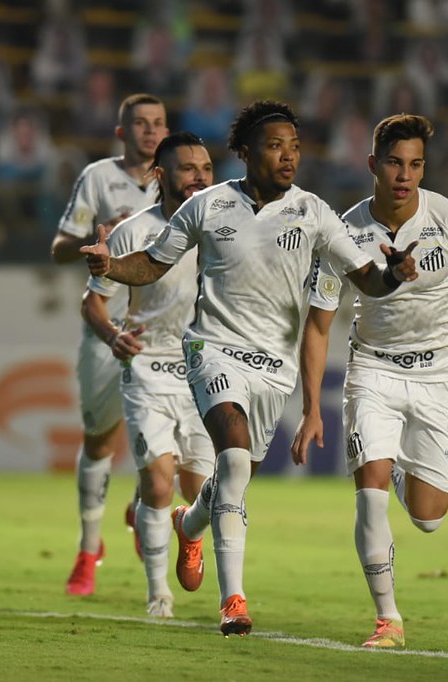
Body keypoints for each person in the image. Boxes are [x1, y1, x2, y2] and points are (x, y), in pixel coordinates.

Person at [80, 99, 418, 636]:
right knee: (234, 460)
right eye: (275, 146)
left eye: (295, 148)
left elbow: (367, 278)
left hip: (273, 368)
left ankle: (189, 526)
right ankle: (233, 600)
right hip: (211, 348)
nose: (288, 158)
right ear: (244, 152)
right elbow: (151, 262)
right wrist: (111, 264)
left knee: (230, 478)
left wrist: (394, 275)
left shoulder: (313, 212)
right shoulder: (208, 206)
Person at [292, 114, 448, 649]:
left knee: (428, 518)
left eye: (415, 164)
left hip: (440, 373)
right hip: (373, 367)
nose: (405, 175)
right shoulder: (344, 232)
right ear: (374, 164)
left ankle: (402, 472)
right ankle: (388, 619)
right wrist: (311, 407)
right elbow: (320, 322)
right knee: (368, 486)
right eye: (395, 163)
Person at [80, 132, 214, 617]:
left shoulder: (227, 227)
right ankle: (159, 593)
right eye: (187, 168)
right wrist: (113, 335)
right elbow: (92, 301)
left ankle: (184, 528)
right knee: (159, 485)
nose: (199, 175)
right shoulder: (133, 232)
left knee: (202, 492)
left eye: (205, 166)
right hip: (149, 370)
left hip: (206, 372)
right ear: (160, 176)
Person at [50, 93, 168, 596]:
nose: (150, 132)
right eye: (140, 124)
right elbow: (59, 247)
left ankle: (146, 505)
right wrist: (94, 248)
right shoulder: (99, 178)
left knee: (173, 455)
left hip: (164, 335)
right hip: (107, 324)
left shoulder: (186, 181)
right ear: (122, 133)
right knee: (101, 440)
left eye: (158, 123)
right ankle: (88, 547)